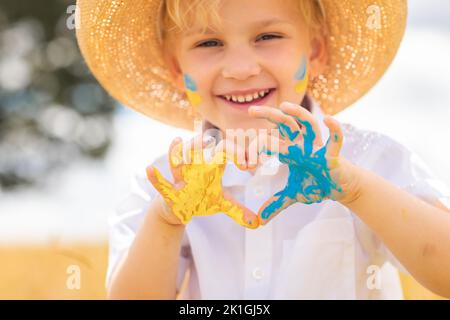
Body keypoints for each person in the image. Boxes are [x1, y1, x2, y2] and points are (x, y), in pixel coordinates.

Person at [76, 0, 450, 299]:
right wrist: (167, 221)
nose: (240, 68)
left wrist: (356, 189)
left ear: (315, 51)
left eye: (268, 36)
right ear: (177, 69)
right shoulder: (163, 186)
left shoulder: (366, 160)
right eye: (209, 43)